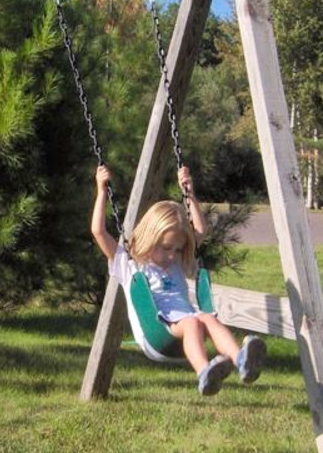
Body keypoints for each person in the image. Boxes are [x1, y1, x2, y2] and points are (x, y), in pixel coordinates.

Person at [91, 164, 266, 396]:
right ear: (149, 237)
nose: (172, 255)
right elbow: (99, 232)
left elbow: (200, 230)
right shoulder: (129, 265)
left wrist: (189, 194)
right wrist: (102, 191)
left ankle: (242, 360)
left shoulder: (175, 263)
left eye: (177, 248)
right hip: (158, 336)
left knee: (207, 318)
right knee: (194, 322)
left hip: (185, 328)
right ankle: (205, 373)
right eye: (166, 248)